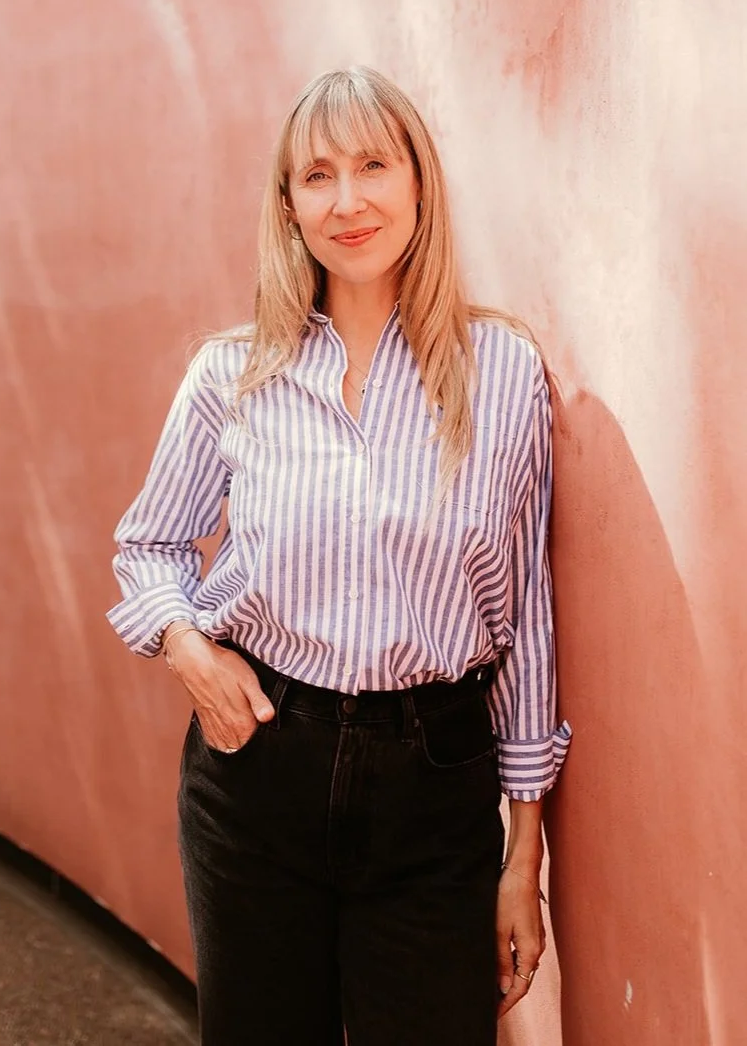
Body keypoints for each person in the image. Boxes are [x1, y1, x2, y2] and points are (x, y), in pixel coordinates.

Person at [106, 66, 571, 1046]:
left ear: (419, 184)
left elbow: (524, 612)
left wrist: (522, 853)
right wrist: (188, 649)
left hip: (435, 782)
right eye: (317, 175)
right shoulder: (234, 374)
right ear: (289, 205)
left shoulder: (502, 372)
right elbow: (149, 545)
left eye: (373, 166)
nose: (347, 200)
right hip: (259, 771)